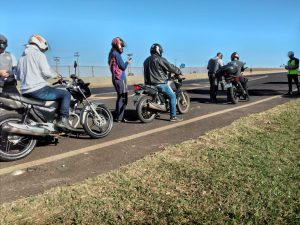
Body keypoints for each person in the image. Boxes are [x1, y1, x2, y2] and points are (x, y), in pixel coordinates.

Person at [17, 34, 74, 130]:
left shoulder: (21, 57)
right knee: (65, 94)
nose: (43, 50)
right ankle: (63, 119)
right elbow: (46, 72)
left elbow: (18, 76)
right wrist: (57, 76)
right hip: (38, 90)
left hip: (24, 91)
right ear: (40, 43)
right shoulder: (39, 54)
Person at [143, 43, 183, 122]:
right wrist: (178, 71)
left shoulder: (146, 60)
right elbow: (170, 67)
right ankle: (173, 116)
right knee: (172, 96)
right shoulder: (159, 59)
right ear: (158, 50)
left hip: (148, 84)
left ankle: (156, 111)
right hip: (159, 83)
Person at [108, 37, 131, 123]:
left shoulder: (111, 54)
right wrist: (127, 62)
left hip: (115, 78)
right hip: (120, 79)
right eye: (121, 45)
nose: (122, 47)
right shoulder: (116, 54)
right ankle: (120, 117)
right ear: (117, 44)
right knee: (123, 98)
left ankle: (118, 116)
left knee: (119, 97)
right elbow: (123, 67)